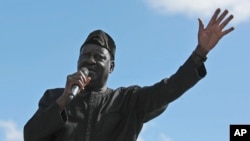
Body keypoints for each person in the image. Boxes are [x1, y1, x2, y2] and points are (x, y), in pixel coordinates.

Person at [24, 8, 234, 141]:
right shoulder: (53, 98)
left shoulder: (129, 100)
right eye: (85, 55)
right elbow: (30, 136)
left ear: (111, 67)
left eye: (98, 57)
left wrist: (200, 53)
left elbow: (170, 88)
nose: (90, 60)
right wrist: (63, 102)